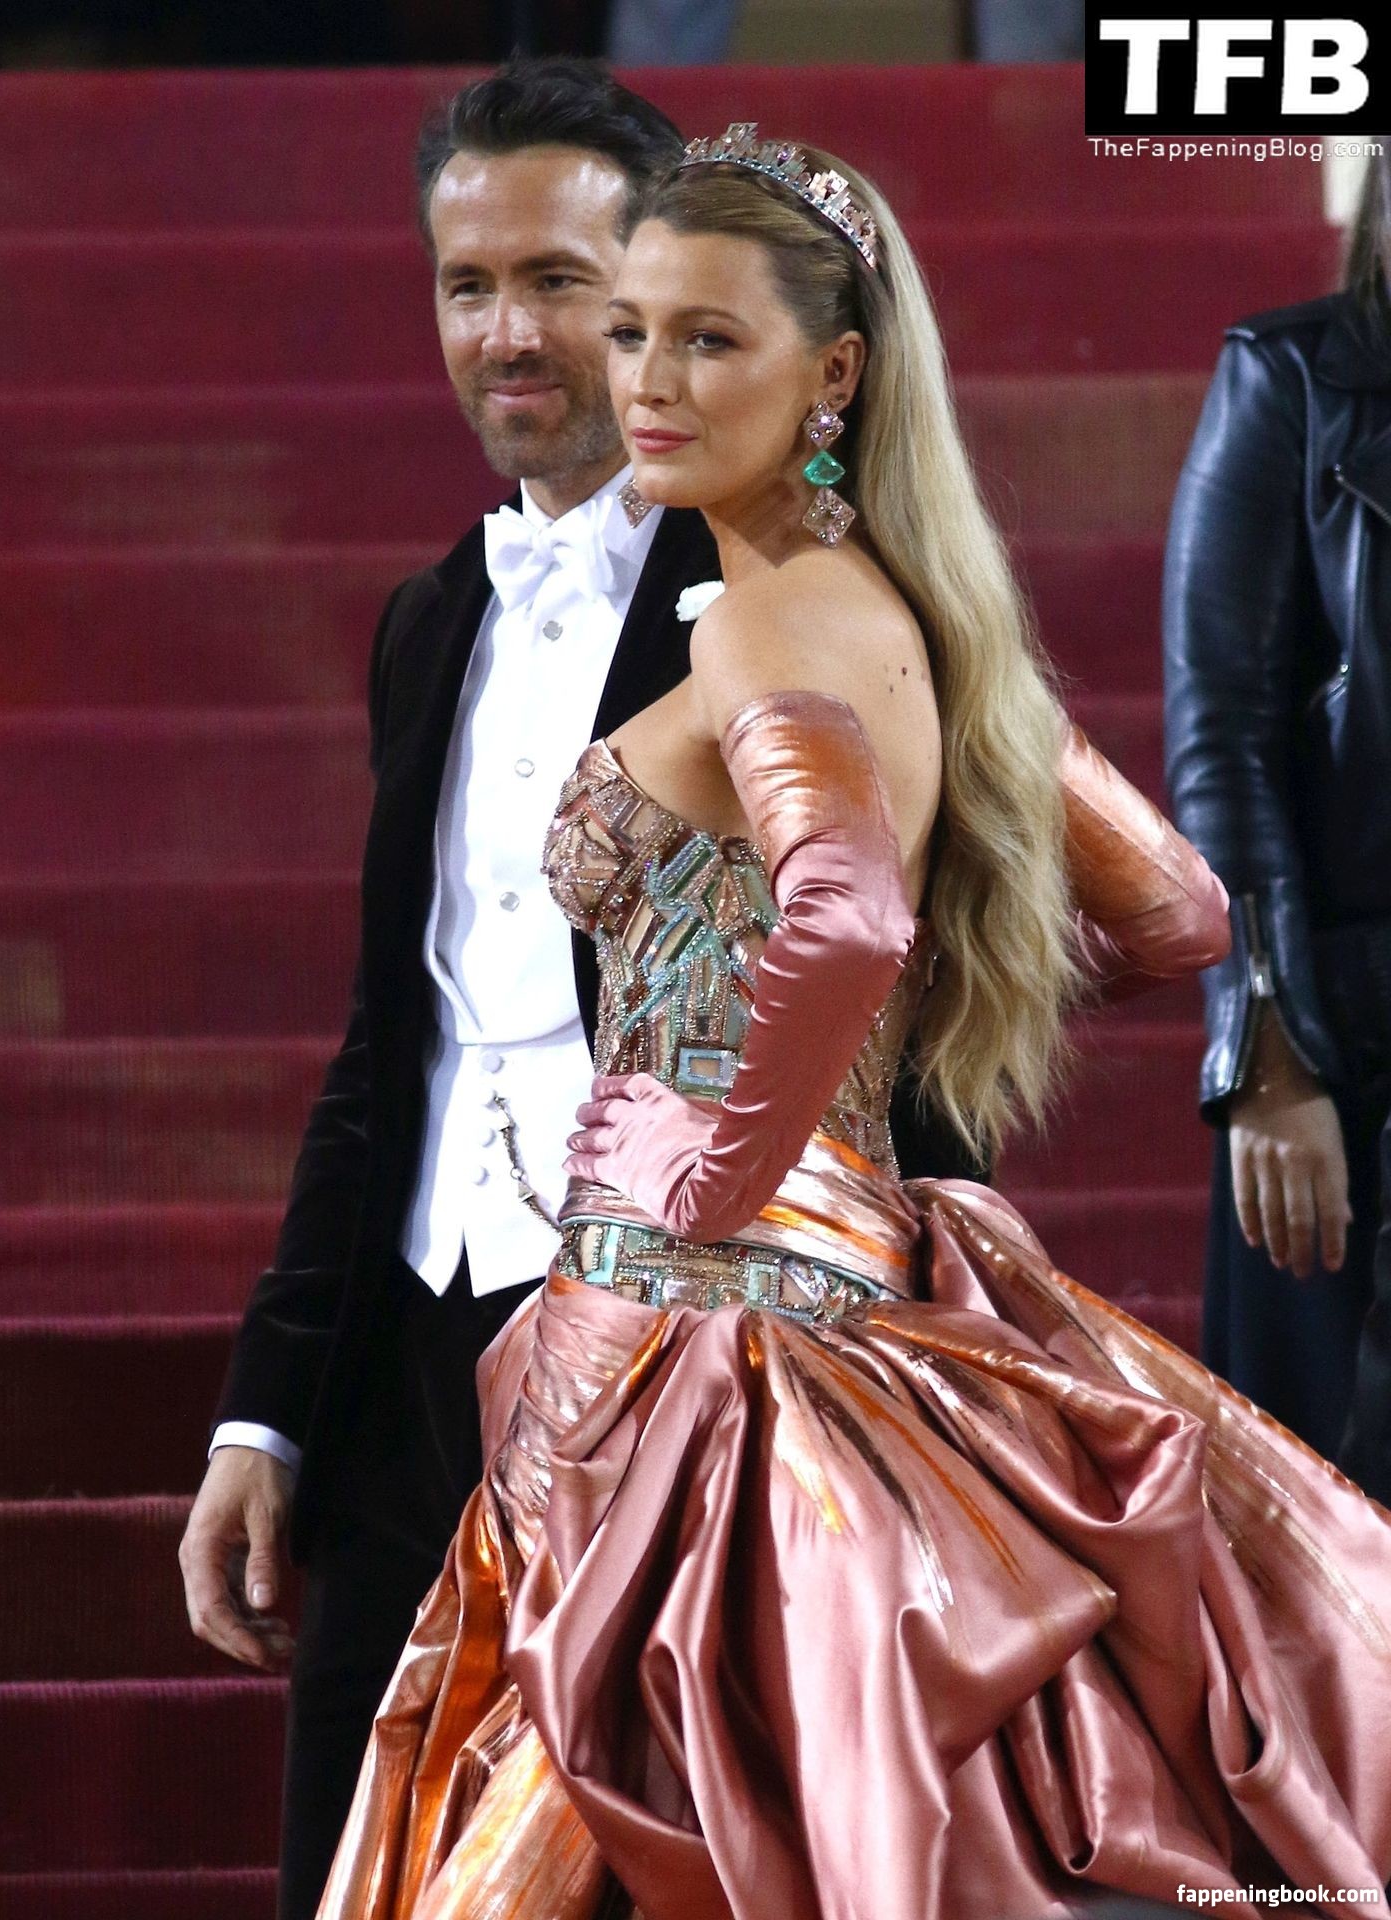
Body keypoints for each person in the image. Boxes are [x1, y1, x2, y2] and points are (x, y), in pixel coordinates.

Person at [312, 129, 1391, 1920]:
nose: (645, 383)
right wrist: (907, 1032)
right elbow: (1176, 914)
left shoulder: (763, 631)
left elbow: (846, 914)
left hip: (701, 1337)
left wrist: (719, 1177)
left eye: (706, 339)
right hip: (816, 1288)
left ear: (832, 374)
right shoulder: (927, 629)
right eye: (632, 330)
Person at [176, 64, 980, 1920]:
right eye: (469, 285)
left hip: (696, 1368)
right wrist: (265, 1412)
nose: (514, 335)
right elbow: (396, 1038)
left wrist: (883, 1313)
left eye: (566, 283)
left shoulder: (785, 587)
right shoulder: (429, 621)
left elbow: (891, 970)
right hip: (411, 1358)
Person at [1164, 151, 1391, 1503]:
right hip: (1350, 1042)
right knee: (1335, 1528)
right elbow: (1224, 743)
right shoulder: (1292, 380)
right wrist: (1266, 1051)